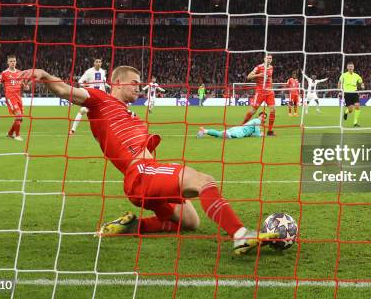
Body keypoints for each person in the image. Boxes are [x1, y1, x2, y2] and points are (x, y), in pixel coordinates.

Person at [18, 66, 277, 255]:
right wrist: (44, 75)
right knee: (203, 180)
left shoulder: (131, 115)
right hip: (141, 172)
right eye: (134, 82)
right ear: (117, 82)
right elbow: (66, 91)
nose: (139, 86)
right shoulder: (101, 100)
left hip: (143, 180)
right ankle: (241, 235)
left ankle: (133, 226)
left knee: (190, 222)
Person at [0, 55, 29, 141]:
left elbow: (22, 82)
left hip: (18, 97)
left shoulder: (20, 72)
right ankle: (17, 135)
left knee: (20, 118)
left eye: (14, 61)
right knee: (18, 115)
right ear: (8, 62)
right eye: (11, 61)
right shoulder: (4, 73)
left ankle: (9, 134)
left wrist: (25, 86)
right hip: (10, 97)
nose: (13, 63)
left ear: (16, 62)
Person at [70, 58, 108, 135]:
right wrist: (87, 86)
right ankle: (72, 130)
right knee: (82, 111)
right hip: (92, 97)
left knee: (105, 113)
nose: (98, 63)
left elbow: (103, 83)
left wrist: (109, 87)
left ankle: (105, 130)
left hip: (101, 97)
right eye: (97, 62)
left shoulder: (102, 72)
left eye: (100, 62)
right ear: (94, 63)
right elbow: (80, 81)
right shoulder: (89, 72)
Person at [242, 55, 276, 136]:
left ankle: (270, 131)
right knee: (252, 111)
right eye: (267, 58)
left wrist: (271, 88)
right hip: (260, 92)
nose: (269, 59)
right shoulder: (258, 67)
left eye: (270, 58)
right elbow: (248, 76)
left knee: (273, 110)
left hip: (269, 92)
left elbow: (270, 78)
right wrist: (258, 75)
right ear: (264, 59)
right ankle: (242, 126)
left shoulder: (271, 68)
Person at [197, 112, 267, 139]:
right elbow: (257, 133)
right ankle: (204, 130)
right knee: (221, 135)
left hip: (237, 129)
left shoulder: (254, 120)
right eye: (262, 116)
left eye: (264, 117)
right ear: (259, 116)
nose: (262, 118)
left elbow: (251, 134)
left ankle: (204, 131)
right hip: (239, 131)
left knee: (219, 135)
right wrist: (261, 134)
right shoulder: (257, 120)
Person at [338, 62, 365, 127]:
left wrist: (362, 85)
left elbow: (361, 82)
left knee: (357, 106)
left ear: (353, 67)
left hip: (354, 92)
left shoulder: (356, 75)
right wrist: (339, 91)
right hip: (347, 93)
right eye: (349, 66)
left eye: (352, 66)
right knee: (350, 109)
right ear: (347, 68)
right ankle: (346, 112)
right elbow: (339, 82)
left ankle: (355, 122)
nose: (350, 68)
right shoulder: (343, 75)